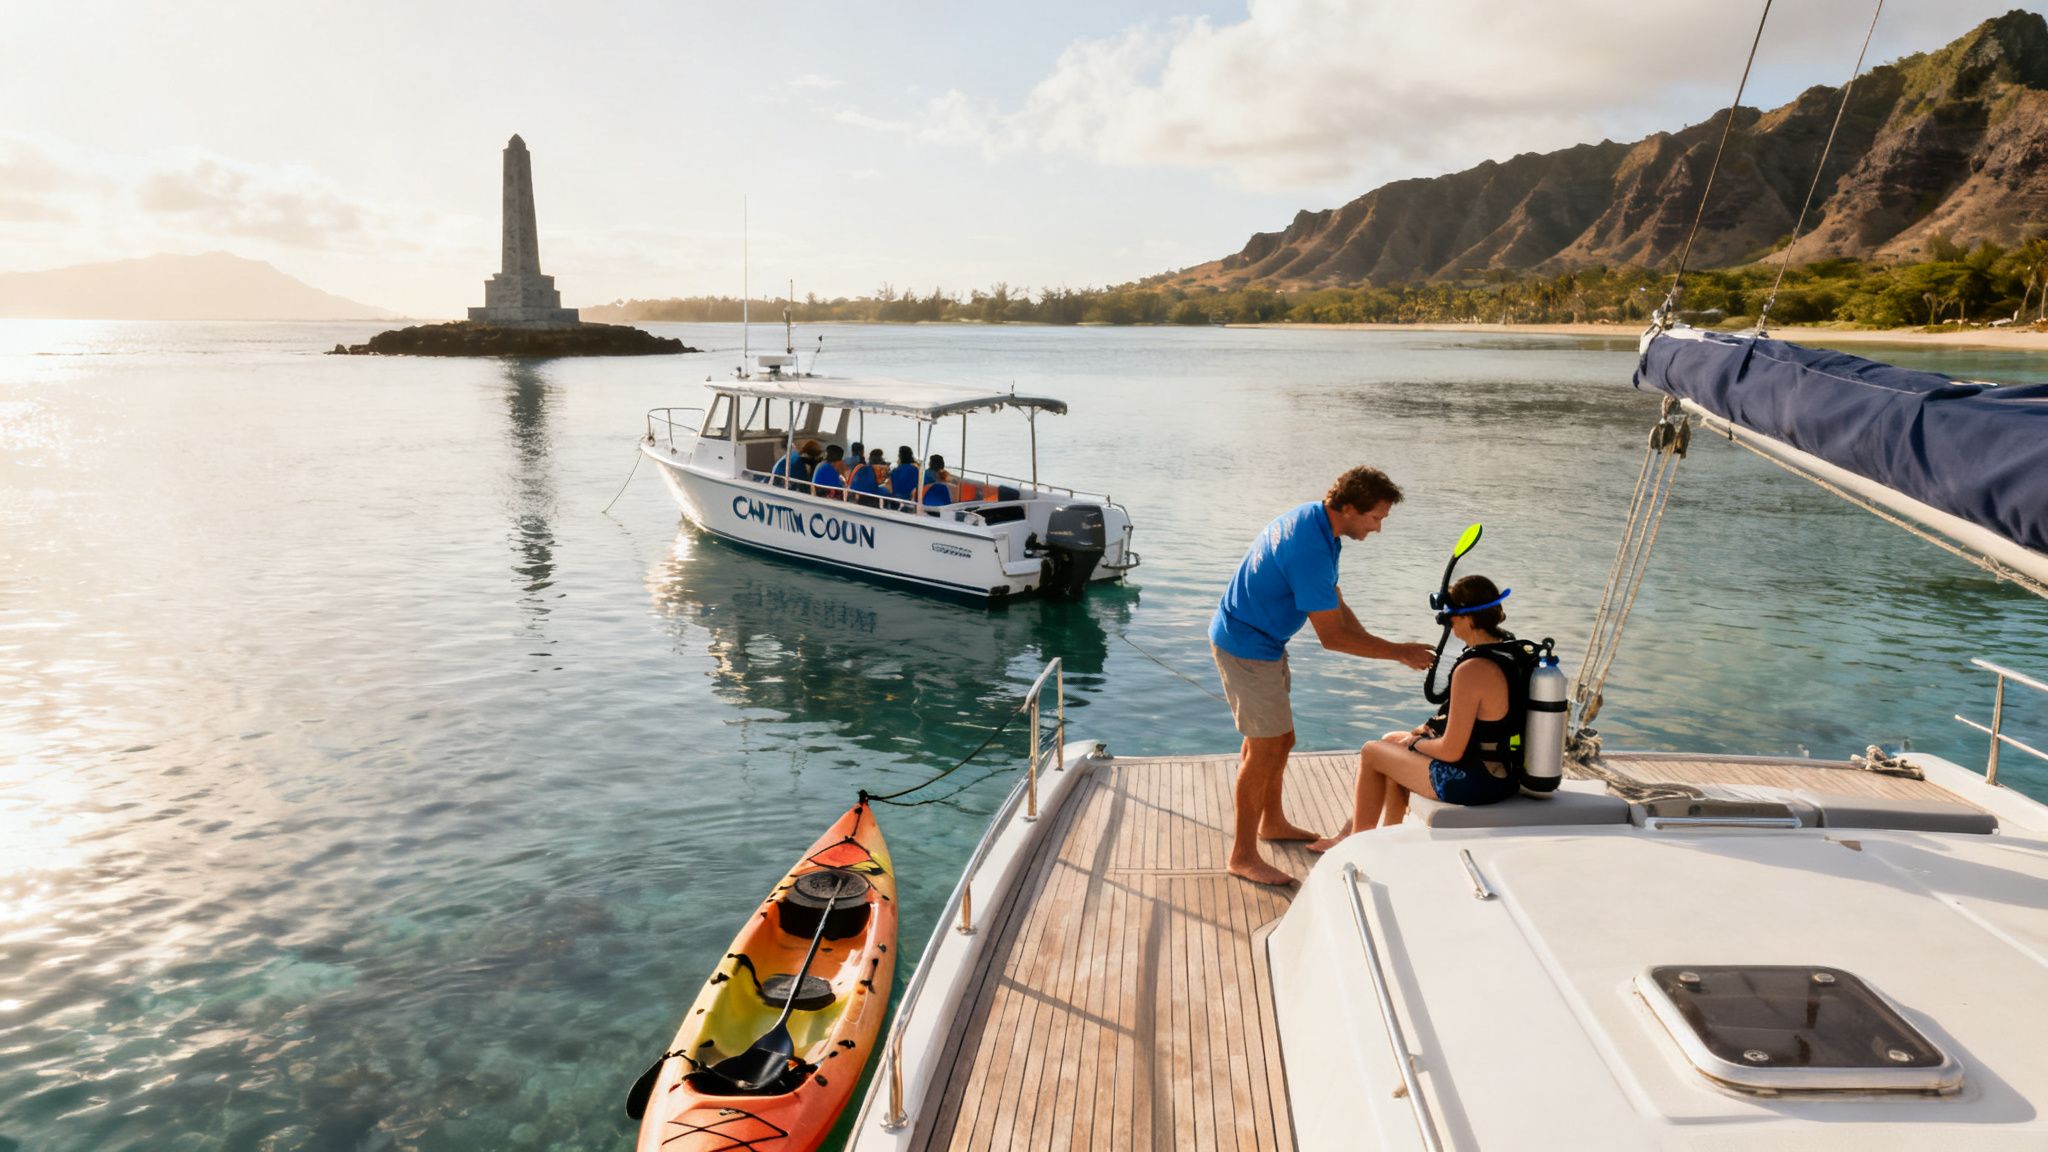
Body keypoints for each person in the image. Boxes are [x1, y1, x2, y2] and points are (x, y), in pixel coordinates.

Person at [1210, 466, 1436, 887]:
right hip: (1245, 646)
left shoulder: (1318, 523)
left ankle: (1271, 822)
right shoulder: (1309, 548)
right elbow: (1332, 638)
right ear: (1348, 508)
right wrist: (1398, 653)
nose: (1379, 528)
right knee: (1267, 745)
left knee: (1279, 739)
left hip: (1263, 639)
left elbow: (1333, 599)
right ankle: (1241, 855)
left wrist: (1376, 640)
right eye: (1375, 519)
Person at [1309, 575, 1526, 853]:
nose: (1448, 624)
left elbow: (1451, 751)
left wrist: (1414, 743)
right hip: (1503, 773)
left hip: (1477, 782)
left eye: (1450, 617)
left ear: (1467, 618)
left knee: (1372, 752)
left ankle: (1355, 846)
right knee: (1389, 740)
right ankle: (1388, 838)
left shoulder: (1472, 669)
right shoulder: (1509, 651)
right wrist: (1418, 736)